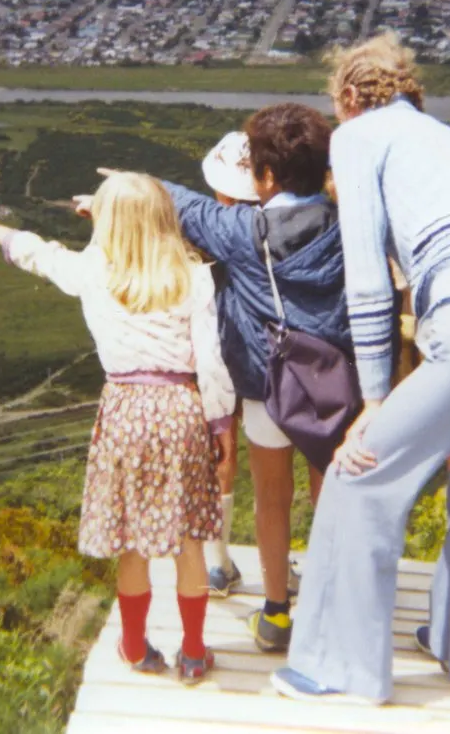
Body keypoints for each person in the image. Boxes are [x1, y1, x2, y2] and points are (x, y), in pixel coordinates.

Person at [272, 32, 450, 705]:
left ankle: (342, 670)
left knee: (354, 478)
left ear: (349, 94)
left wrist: (373, 401)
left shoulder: (360, 135)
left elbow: (369, 282)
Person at [0, 172, 235, 685]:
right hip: (180, 409)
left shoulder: (92, 272)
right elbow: (212, 363)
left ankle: (133, 645)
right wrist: (222, 426)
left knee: (132, 539)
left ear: (106, 225)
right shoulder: (193, 278)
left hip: (125, 410)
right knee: (189, 540)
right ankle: (194, 652)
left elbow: (40, 254)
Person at [101, 103, 351, 655]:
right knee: (327, 494)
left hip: (267, 386)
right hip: (332, 386)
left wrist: (132, 182)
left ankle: (276, 614)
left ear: (264, 177)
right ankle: (334, 606)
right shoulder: (348, 222)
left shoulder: (247, 229)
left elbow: (187, 209)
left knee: (271, 496)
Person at [198, 131, 260, 596]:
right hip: (268, 351)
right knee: (271, 460)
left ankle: (218, 563)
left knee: (222, 452)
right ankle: (280, 561)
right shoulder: (277, 225)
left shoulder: (205, 228)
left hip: (216, 351)